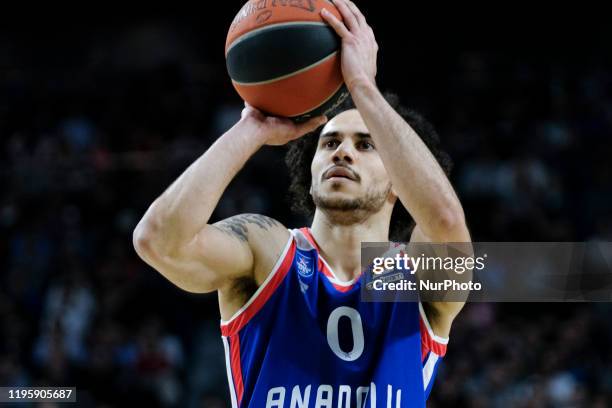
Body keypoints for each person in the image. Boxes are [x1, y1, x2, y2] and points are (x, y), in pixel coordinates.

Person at [133, 0, 471, 406]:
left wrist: (363, 87)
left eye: (366, 145)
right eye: (329, 143)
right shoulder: (267, 249)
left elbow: (446, 221)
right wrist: (251, 129)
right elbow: (157, 240)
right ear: (308, 172)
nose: (342, 153)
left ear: (399, 178)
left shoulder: (416, 277)